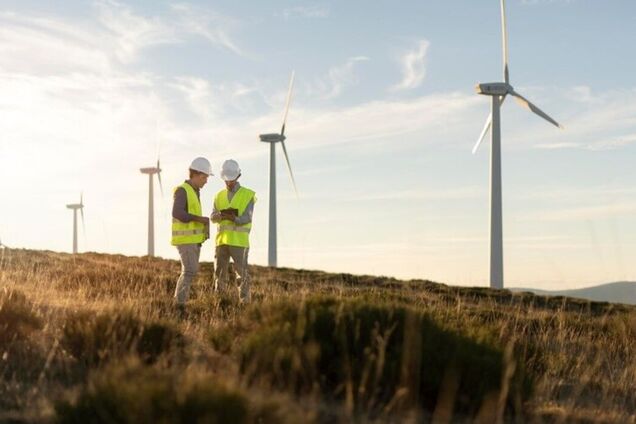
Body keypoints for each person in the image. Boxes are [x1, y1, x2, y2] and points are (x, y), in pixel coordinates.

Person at [211, 159, 256, 303]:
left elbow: (247, 218)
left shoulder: (248, 195)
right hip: (221, 242)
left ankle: (245, 304)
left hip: (239, 242)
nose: (228, 183)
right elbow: (212, 217)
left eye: (230, 180)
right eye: (226, 180)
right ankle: (220, 302)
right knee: (219, 275)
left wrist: (233, 218)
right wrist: (219, 215)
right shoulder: (218, 196)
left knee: (242, 275)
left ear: (237, 176)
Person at [171, 157, 212, 310]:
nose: (206, 181)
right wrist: (199, 219)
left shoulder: (194, 191)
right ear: (196, 174)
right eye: (204, 177)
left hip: (193, 240)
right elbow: (177, 213)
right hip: (185, 240)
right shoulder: (183, 190)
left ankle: (180, 304)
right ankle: (179, 306)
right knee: (189, 271)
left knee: (190, 271)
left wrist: (203, 227)